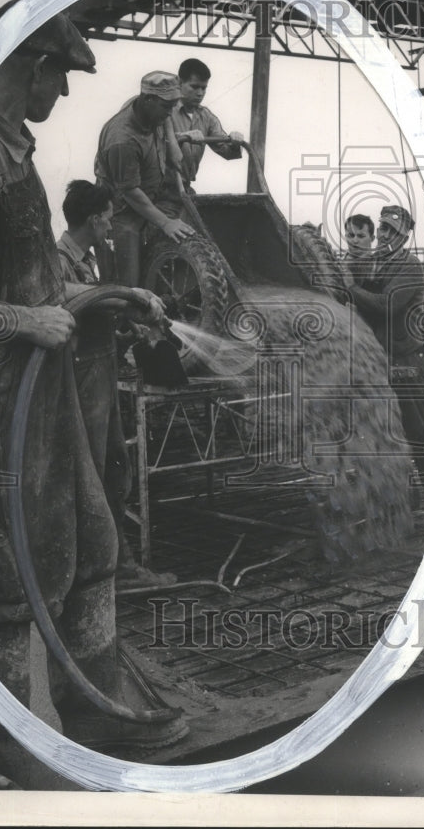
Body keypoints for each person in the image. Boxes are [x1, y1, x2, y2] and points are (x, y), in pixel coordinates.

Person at [0, 10, 186, 787]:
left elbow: (35, 279)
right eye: (60, 75)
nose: (62, 92)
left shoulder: (12, 155)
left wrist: (108, 293)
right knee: (4, 581)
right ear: (30, 65)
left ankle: (94, 706)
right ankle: (2, 742)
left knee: (90, 551)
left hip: (39, 409)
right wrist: (27, 320)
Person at [56, 180, 176, 585]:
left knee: (114, 471)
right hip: (79, 378)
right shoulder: (56, 260)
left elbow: (96, 309)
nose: (111, 224)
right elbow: (71, 299)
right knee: (87, 471)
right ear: (93, 218)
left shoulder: (88, 258)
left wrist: (127, 330)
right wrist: (131, 295)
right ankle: (87, 571)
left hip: (102, 372)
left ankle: (116, 566)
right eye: (108, 216)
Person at [341, 204, 424, 514]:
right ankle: (405, 504)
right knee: (387, 440)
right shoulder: (375, 264)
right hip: (380, 364)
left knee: (423, 439)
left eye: (392, 230)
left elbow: (386, 304)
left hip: (408, 366)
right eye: (383, 228)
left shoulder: (409, 267)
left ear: (404, 235)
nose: (386, 234)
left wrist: (349, 286)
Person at [94, 71, 195, 288]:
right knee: (127, 287)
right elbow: (130, 192)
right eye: (166, 107)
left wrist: (172, 142)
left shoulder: (146, 107)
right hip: (120, 215)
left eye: (172, 106)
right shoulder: (122, 140)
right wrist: (165, 222)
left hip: (147, 204)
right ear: (148, 99)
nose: (170, 114)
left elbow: (166, 117)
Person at [171, 58, 244, 189]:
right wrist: (183, 136)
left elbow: (228, 152)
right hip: (158, 188)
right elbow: (154, 143)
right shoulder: (165, 111)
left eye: (203, 88)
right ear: (179, 83)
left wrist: (234, 141)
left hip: (184, 188)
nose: (200, 93)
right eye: (194, 87)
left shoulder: (206, 117)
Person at [340, 213, 375, 283]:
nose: (355, 241)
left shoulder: (381, 267)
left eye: (361, 236)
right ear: (345, 237)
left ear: (372, 238)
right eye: (351, 235)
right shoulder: (337, 266)